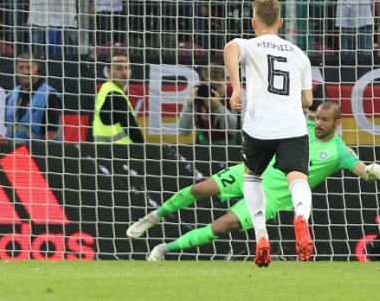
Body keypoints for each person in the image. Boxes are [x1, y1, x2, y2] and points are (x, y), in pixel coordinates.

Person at [127, 101, 380, 260]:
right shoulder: (302, 126)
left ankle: (163, 249)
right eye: (317, 118)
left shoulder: (340, 152)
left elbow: (363, 172)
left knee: (221, 226)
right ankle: (154, 217)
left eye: (325, 120)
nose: (318, 124)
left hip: (270, 198)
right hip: (252, 172)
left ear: (337, 123)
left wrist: (372, 169)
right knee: (199, 188)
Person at [224, 0, 313, 267]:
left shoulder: (249, 45)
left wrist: (236, 87)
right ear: (281, 22)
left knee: (252, 177)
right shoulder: (299, 55)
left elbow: (230, 47)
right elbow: (308, 100)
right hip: (292, 126)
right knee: (297, 178)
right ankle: (300, 217)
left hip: (259, 126)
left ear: (253, 23)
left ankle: (261, 236)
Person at [178, 64, 240, 145]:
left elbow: (240, 134)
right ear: (204, 82)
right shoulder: (199, 93)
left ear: (226, 81)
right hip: (204, 145)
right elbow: (183, 132)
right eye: (211, 86)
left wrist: (219, 108)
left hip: (230, 146)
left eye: (219, 85)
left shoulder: (235, 95)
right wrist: (189, 105)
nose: (215, 90)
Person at [5, 53, 61, 141]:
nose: (25, 72)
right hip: (13, 151)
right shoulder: (11, 95)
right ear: (16, 70)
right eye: (21, 68)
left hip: (39, 151)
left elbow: (52, 133)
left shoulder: (49, 95)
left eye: (29, 67)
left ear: (37, 69)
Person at [92, 53, 144, 144]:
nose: (124, 73)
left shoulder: (106, 90)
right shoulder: (114, 95)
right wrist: (145, 152)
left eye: (127, 68)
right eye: (119, 68)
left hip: (106, 151)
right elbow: (133, 132)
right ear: (109, 71)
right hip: (119, 153)